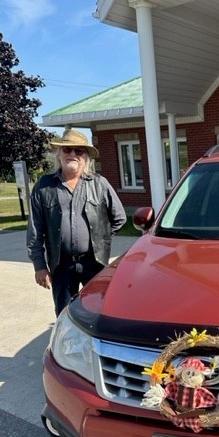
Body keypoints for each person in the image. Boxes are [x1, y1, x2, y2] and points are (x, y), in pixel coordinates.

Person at [27, 128, 127, 317]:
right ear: (59, 154)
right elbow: (35, 230)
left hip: (94, 263)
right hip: (61, 265)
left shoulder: (100, 183)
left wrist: (99, 237)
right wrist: (40, 266)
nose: (72, 154)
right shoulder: (44, 186)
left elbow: (119, 218)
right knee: (65, 315)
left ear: (86, 157)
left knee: (98, 312)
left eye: (78, 150)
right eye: (67, 150)